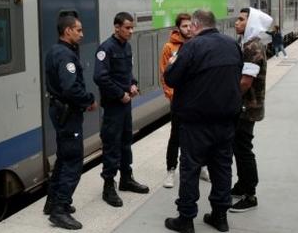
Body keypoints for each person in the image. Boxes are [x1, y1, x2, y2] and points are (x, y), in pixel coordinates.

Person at [163, 10, 243, 233]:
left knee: (190, 169)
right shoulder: (231, 45)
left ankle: (186, 219)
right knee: (222, 168)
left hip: (196, 123)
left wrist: (171, 64)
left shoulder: (192, 47)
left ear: (196, 25)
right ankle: (220, 216)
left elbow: (171, 77)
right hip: (226, 122)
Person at [43, 12, 97, 230]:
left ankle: (51, 202)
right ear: (67, 31)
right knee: (73, 161)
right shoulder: (65, 55)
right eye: (79, 30)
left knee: (64, 157)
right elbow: (70, 87)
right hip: (68, 114)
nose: (82, 34)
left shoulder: (55, 51)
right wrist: (89, 100)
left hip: (59, 111)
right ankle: (60, 210)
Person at [95, 12, 149, 208]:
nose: (131, 31)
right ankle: (108, 186)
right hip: (113, 106)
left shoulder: (126, 47)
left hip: (125, 104)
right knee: (112, 143)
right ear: (116, 27)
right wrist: (120, 94)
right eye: (127, 28)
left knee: (126, 141)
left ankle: (126, 178)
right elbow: (100, 77)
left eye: (132, 27)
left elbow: (127, 72)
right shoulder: (105, 49)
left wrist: (133, 84)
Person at [230, 7, 273, 214]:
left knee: (243, 148)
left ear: (251, 23)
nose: (236, 22)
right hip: (247, 106)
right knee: (240, 147)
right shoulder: (248, 43)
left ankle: (250, 194)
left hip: (248, 107)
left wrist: (229, 98)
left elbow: (246, 82)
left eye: (241, 19)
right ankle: (241, 184)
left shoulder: (252, 47)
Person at [159, 13, 193, 188]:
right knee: (176, 136)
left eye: (190, 25)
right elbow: (165, 76)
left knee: (196, 135)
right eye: (185, 26)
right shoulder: (169, 48)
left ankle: (200, 166)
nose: (188, 28)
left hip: (195, 100)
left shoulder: (197, 44)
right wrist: (173, 96)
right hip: (179, 101)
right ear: (178, 27)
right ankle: (171, 170)